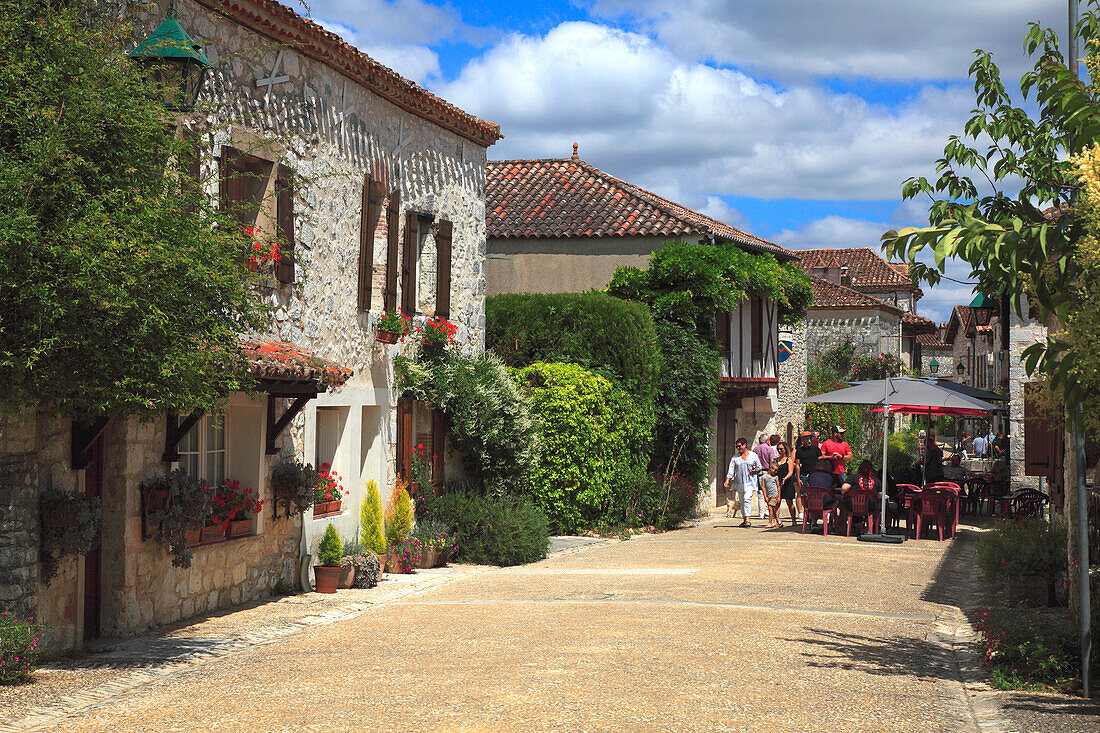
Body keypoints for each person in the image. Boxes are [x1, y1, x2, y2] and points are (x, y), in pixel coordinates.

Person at [724, 437, 763, 528]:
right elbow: (731, 470)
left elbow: (759, 466)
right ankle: (744, 519)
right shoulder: (735, 457)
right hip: (739, 482)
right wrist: (727, 480)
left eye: (739, 446)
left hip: (750, 481)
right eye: (736, 446)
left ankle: (748, 520)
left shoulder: (753, 455)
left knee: (746, 499)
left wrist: (756, 469)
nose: (738, 448)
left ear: (745, 445)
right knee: (741, 501)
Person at [794, 430, 821, 523]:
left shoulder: (816, 450)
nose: (809, 440)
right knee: (804, 495)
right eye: (806, 439)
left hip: (815, 476)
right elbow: (797, 465)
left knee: (814, 496)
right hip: (804, 475)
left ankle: (813, 515)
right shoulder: (799, 451)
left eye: (810, 438)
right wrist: (798, 478)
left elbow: (821, 462)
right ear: (802, 440)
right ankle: (806, 513)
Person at [753, 435, 778, 520]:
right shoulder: (769, 449)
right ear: (767, 440)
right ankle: (768, 511)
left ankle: (761, 513)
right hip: (767, 472)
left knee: (760, 493)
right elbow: (772, 461)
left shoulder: (755, 449)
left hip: (758, 472)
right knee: (769, 492)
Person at [776, 440, 798, 525]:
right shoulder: (776, 459)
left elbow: (791, 471)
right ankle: (777, 520)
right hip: (778, 483)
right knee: (777, 502)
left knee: (789, 502)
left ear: (785, 449)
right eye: (778, 449)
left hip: (787, 483)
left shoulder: (789, 460)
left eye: (781, 449)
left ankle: (793, 520)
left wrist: (785, 478)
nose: (779, 451)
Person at [762, 461, 782, 528]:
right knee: (772, 510)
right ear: (770, 468)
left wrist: (779, 496)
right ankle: (778, 521)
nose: (775, 472)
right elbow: (763, 487)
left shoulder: (775, 477)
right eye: (774, 470)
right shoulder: (764, 477)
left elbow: (778, 486)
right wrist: (765, 496)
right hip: (768, 495)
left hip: (774, 494)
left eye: (777, 470)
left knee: (770, 508)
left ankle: (770, 522)